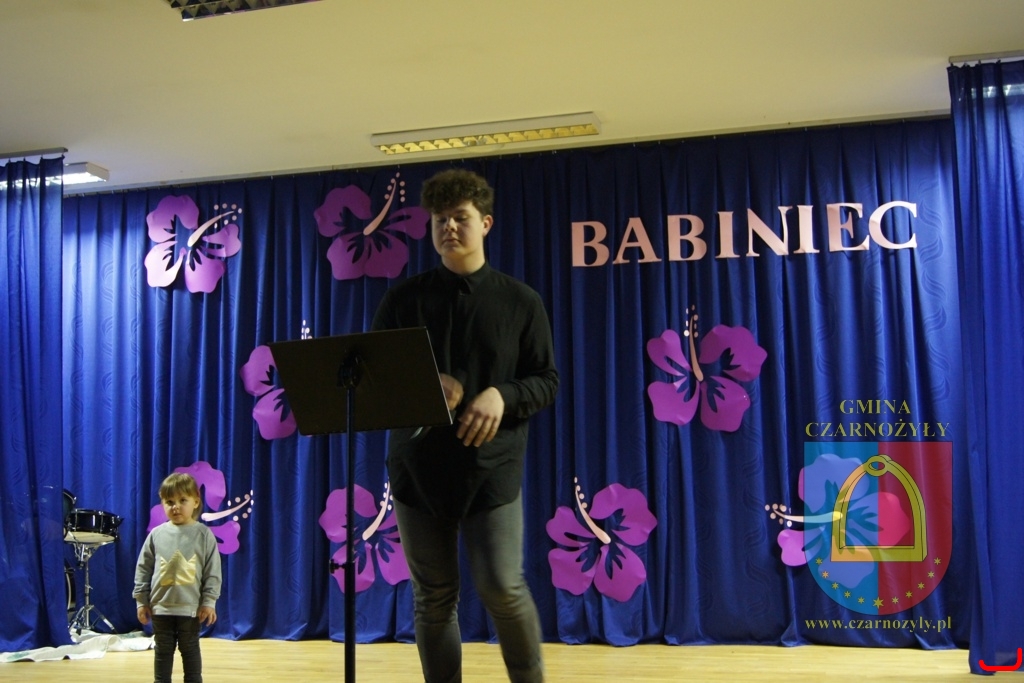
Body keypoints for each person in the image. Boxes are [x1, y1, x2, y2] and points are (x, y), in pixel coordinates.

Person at [372, 168, 558, 683]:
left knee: (503, 587)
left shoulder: (521, 301)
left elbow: (546, 380)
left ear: (486, 223)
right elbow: (375, 377)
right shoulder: (403, 300)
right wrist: (423, 383)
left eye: (460, 217)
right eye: (440, 219)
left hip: (491, 469)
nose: (449, 227)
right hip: (417, 470)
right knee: (433, 598)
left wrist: (503, 394)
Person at [133, 472, 222, 683]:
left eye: (183, 500)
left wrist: (209, 602)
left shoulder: (203, 535)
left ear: (196, 502)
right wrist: (141, 601)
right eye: (170, 502)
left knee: (190, 649)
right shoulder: (156, 535)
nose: (176, 507)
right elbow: (143, 569)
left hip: (190, 609)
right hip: (161, 608)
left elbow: (212, 572)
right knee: (163, 650)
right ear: (162, 504)